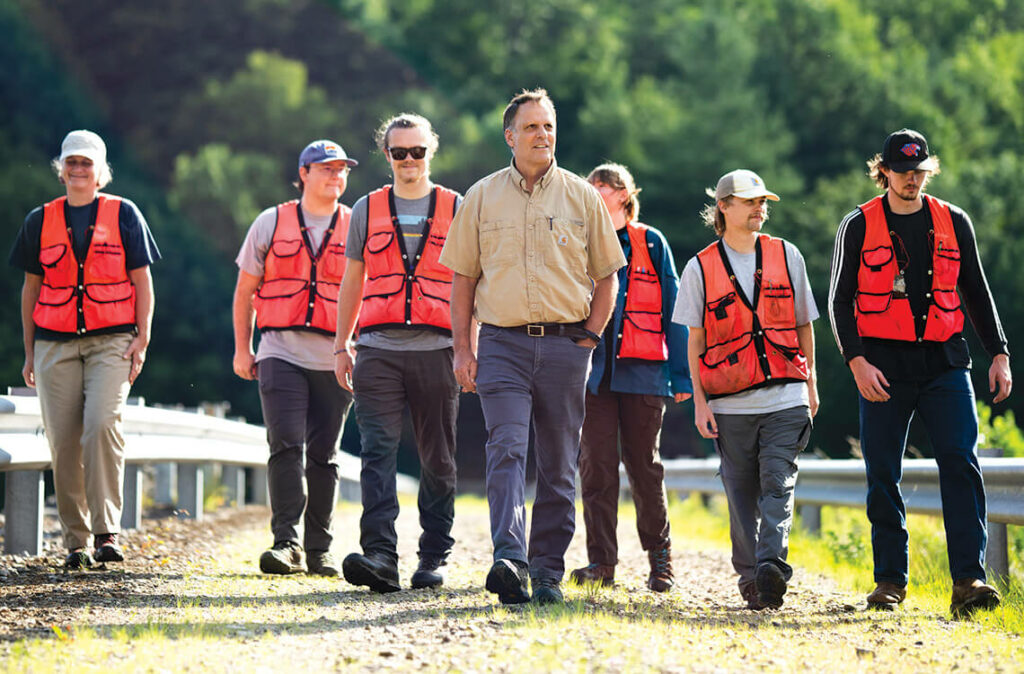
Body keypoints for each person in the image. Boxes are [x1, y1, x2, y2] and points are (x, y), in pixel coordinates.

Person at [439, 88, 626, 605]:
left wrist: (589, 336)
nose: (542, 135)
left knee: (560, 461)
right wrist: (462, 349)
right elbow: (462, 281)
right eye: (531, 127)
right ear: (510, 136)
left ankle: (546, 571)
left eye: (548, 126)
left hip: (568, 345)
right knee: (505, 449)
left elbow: (609, 276)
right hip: (501, 344)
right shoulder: (480, 197)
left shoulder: (583, 197)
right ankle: (510, 558)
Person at [828, 129, 1011, 617]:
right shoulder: (858, 224)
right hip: (883, 368)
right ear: (883, 171)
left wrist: (999, 353)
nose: (912, 179)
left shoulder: (954, 221)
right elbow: (839, 301)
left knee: (960, 462)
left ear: (927, 171)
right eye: (902, 172)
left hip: (946, 362)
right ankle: (890, 580)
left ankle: (968, 579)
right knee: (883, 471)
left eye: (919, 171)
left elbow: (976, 289)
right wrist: (856, 361)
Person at [9, 130, 160, 569]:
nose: (78, 169)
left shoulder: (124, 214)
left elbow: (142, 281)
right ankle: (75, 541)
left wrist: (143, 336)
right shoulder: (40, 220)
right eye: (71, 162)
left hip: (111, 340)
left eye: (86, 163)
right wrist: (28, 349)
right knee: (63, 440)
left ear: (101, 172)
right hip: (54, 343)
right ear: (62, 169)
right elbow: (30, 289)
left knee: (100, 425)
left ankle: (106, 531)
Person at [674, 169, 818, 610]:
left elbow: (804, 325)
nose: (760, 208)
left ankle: (771, 562)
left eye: (763, 201)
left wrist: (812, 384)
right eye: (750, 201)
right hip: (730, 402)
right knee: (740, 495)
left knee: (779, 481)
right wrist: (700, 403)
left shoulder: (787, 255)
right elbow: (694, 343)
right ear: (724, 207)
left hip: (787, 395)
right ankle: (751, 574)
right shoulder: (699, 267)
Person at [333, 114, 461, 593]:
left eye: (418, 151)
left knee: (438, 458)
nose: (409, 160)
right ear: (386, 156)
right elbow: (353, 279)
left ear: (432, 151)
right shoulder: (366, 208)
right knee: (376, 453)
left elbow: (471, 283)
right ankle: (381, 555)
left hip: (439, 350)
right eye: (399, 152)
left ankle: (433, 557)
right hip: (377, 349)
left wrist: (468, 347)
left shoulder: (457, 206)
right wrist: (340, 344)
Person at [233, 139, 357, 577]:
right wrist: (242, 348)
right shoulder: (271, 221)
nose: (335, 176)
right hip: (279, 351)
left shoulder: (356, 224)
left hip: (335, 357)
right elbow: (245, 291)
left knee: (324, 454)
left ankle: (319, 549)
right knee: (285, 443)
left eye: (342, 169)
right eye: (326, 168)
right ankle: (285, 542)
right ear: (303, 173)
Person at [569, 163, 692, 593]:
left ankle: (661, 564)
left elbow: (674, 311)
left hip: (643, 375)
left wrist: (680, 376)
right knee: (596, 469)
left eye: (602, 187)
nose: (594, 193)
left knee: (645, 469)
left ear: (624, 194)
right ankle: (602, 563)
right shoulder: (576, 241)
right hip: (593, 377)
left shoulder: (652, 242)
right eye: (590, 187)